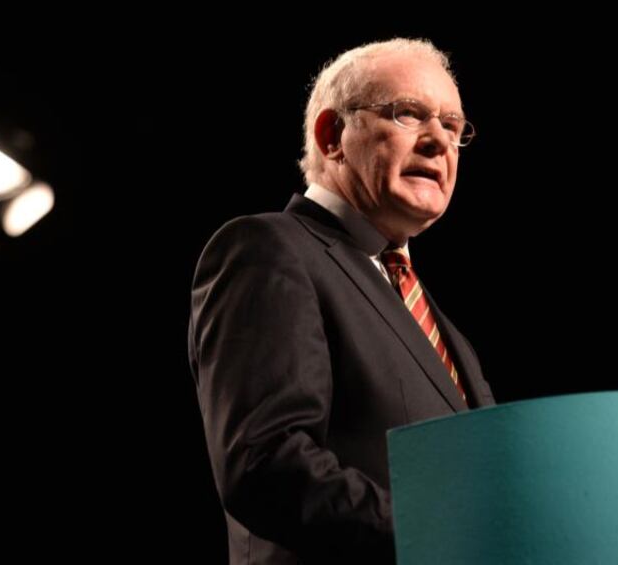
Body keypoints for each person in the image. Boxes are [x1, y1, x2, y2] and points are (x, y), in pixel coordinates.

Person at [188, 38, 495, 564]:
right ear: (332, 136)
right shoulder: (269, 250)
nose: (438, 142)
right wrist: (436, 535)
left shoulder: (447, 332)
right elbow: (266, 462)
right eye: (408, 114)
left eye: (452, 126)